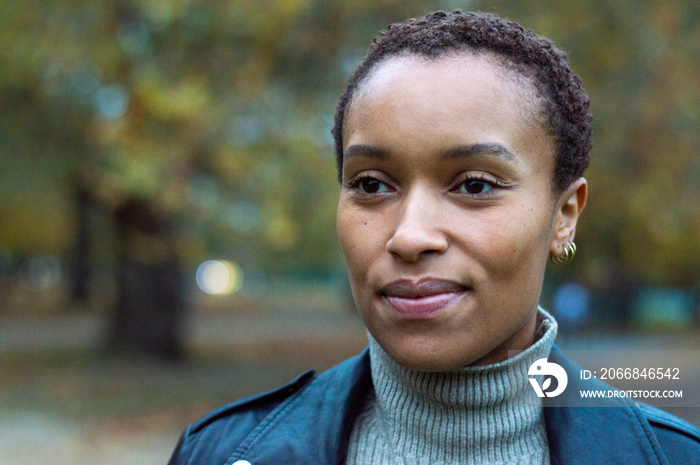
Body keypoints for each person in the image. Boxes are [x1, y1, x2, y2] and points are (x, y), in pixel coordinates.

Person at [168, 11, 700, 464]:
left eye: (474, 185)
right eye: (371, 185)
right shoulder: (219, 452)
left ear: (563, 215)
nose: (410, 236)